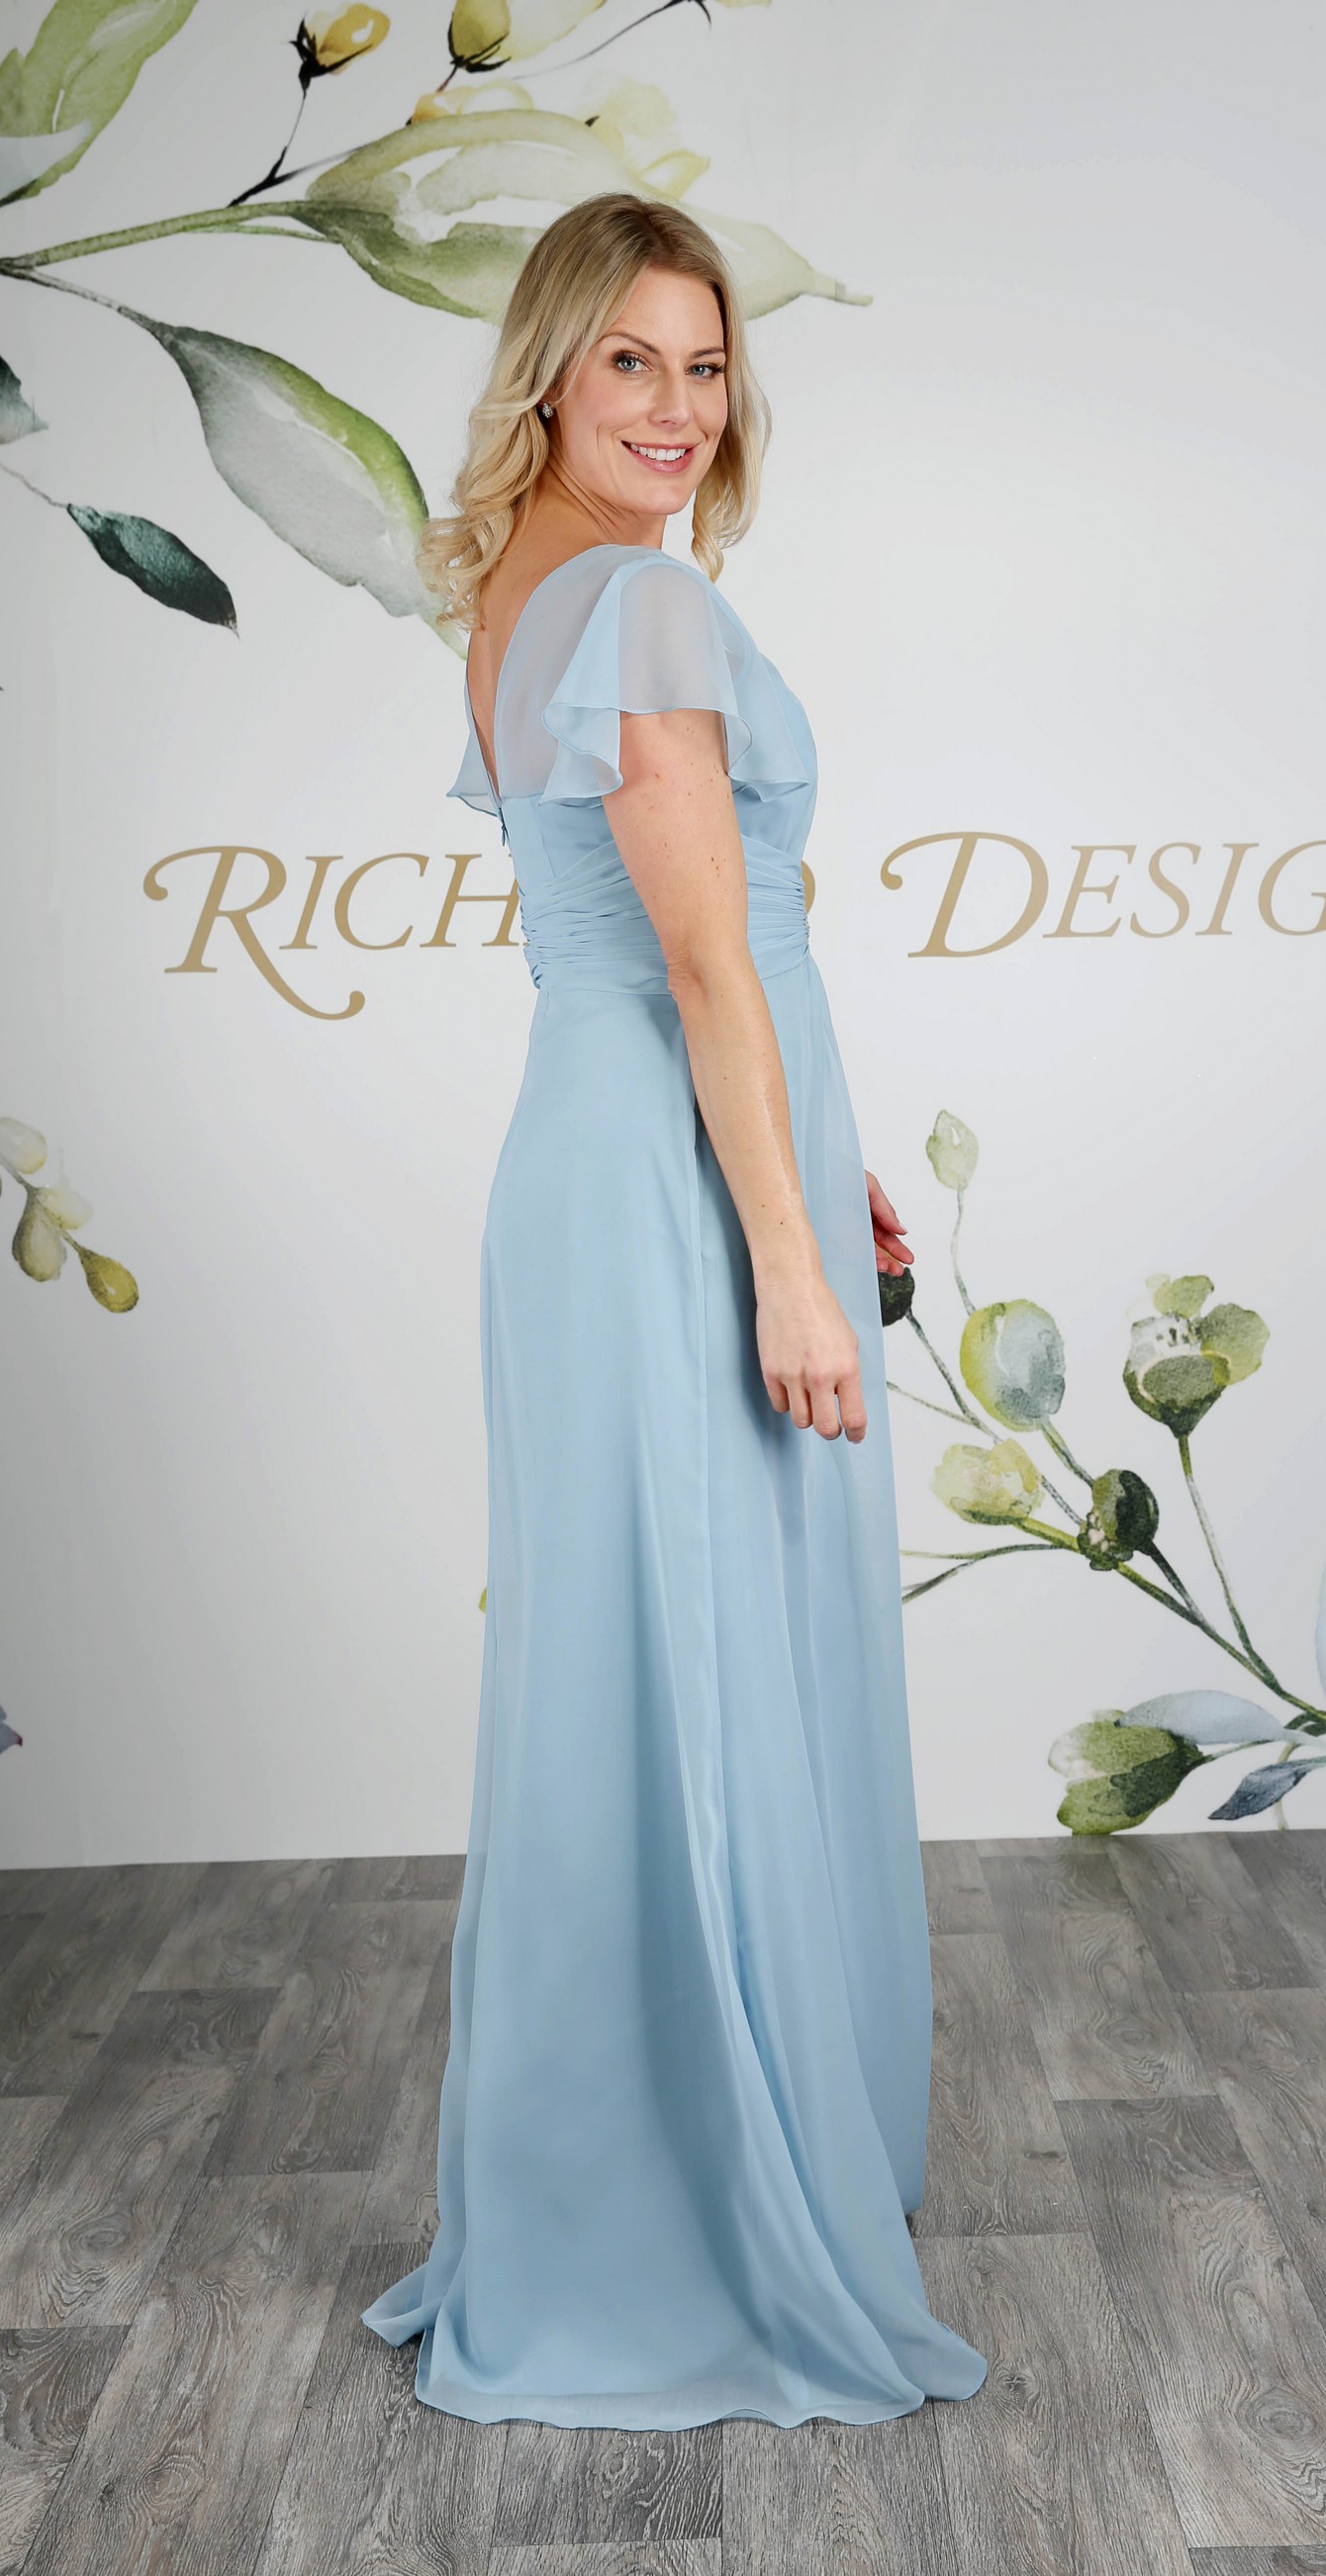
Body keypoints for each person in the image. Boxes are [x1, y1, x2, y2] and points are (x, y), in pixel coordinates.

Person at [362, 191, 989, 2430]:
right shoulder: (633, 597)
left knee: (642, 1676)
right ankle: (697, 2220)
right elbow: (711, 965)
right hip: (671, 1193)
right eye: (630, 359)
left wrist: (818, 1166)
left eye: (706, 366)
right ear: (548, 369)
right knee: (700, 1672)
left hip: (635, 1157)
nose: (677, 405)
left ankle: (626, 2183)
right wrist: (789, 1258)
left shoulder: (527, 585)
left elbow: (674, 958)